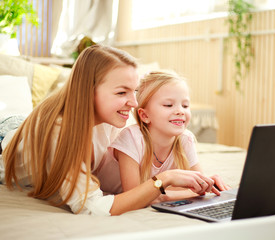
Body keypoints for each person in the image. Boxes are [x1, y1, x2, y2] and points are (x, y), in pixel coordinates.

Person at [0, 45, 218, 216]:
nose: (133, 103)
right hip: (7, 133)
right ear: (89, 91)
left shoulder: (110, 118)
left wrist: (196, 183)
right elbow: (94, 207)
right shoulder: (59, 132)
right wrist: (165, 178)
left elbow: (138, 176)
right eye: (122, 92)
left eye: (134, 91)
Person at [110, 71, 230, 202]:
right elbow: (134, 195)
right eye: (168, 105)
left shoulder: (185, 138)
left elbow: (198, 188)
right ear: (144, 115)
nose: (180, 111)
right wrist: (168, 195)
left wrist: (207, 184)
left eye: (185, 105)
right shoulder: (131, 138)